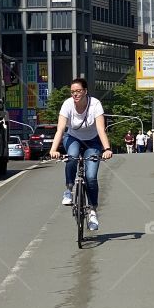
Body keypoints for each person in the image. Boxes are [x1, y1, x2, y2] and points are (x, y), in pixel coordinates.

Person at [49, 76, 112, 232]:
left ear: (85, 91)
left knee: (91, 176)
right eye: (72, 92)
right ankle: (69, 189)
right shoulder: (67, 105)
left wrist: (107, 149)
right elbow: (60, 129)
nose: (75, 95)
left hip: (93, 141)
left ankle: (92, 211)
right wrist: (53, 149)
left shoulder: (95, 104)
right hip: (73, 138)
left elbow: (100, 129)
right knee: (72, 157)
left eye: (78, 91)